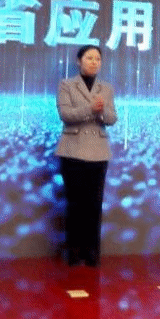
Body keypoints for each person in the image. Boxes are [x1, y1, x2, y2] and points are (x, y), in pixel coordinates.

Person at [55, 45, 117, 267]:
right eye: (89, 58)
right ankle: (74, 252)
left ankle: (92, 252)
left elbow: (112, 118)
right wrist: (91, 108)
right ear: (79, 61)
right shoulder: (66, 85)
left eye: (98, 59)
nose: (94, 62)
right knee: (75, 204)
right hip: (73, 150)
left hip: (98, 152)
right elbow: (65, 115)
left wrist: (101, 112)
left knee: (94, 205)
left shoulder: (106, 88)